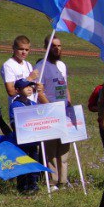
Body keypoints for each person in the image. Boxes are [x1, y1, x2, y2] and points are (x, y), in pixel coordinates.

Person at [32, 36, 72, 187]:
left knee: (64, 148)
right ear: (46, 47)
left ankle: (63, 179)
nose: (57, 49)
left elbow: (65, 86)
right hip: (49, 112)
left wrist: (69, 103)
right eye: (54, 46)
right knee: (51, 150)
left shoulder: (62, 65)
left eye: (59, 46)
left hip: (64, 111)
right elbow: (39, 91)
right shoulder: (41, 67)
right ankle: (53, 180)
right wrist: (51, 107)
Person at [10, 78, 46, 195]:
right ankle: (22, 185)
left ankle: (33, 182)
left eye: (30, 86)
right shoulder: (16, 104)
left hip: (33, 140)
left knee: (33, 160)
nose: (30, 89)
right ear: (18, 90)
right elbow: (14, 123)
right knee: (22, 161)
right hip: (22, 140)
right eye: (26, 87)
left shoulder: (33, 103)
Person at [1, 35, 37, 100]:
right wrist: (29, 78)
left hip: (30, 104)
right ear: (14, 48)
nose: (24, 52)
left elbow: (31, 88)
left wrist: (37, 88)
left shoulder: (28, 64)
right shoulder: (8, 65)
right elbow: (11, 92)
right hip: (18, 105)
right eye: (21, 49)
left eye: (27, 50)